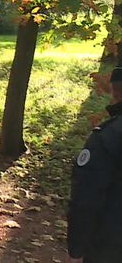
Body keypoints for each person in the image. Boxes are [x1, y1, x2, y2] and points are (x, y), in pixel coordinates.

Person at [67, 67, 122, 262]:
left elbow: (87, 199)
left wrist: (76, 249)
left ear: (116, 92)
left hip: (109, 247)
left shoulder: (108, 137)